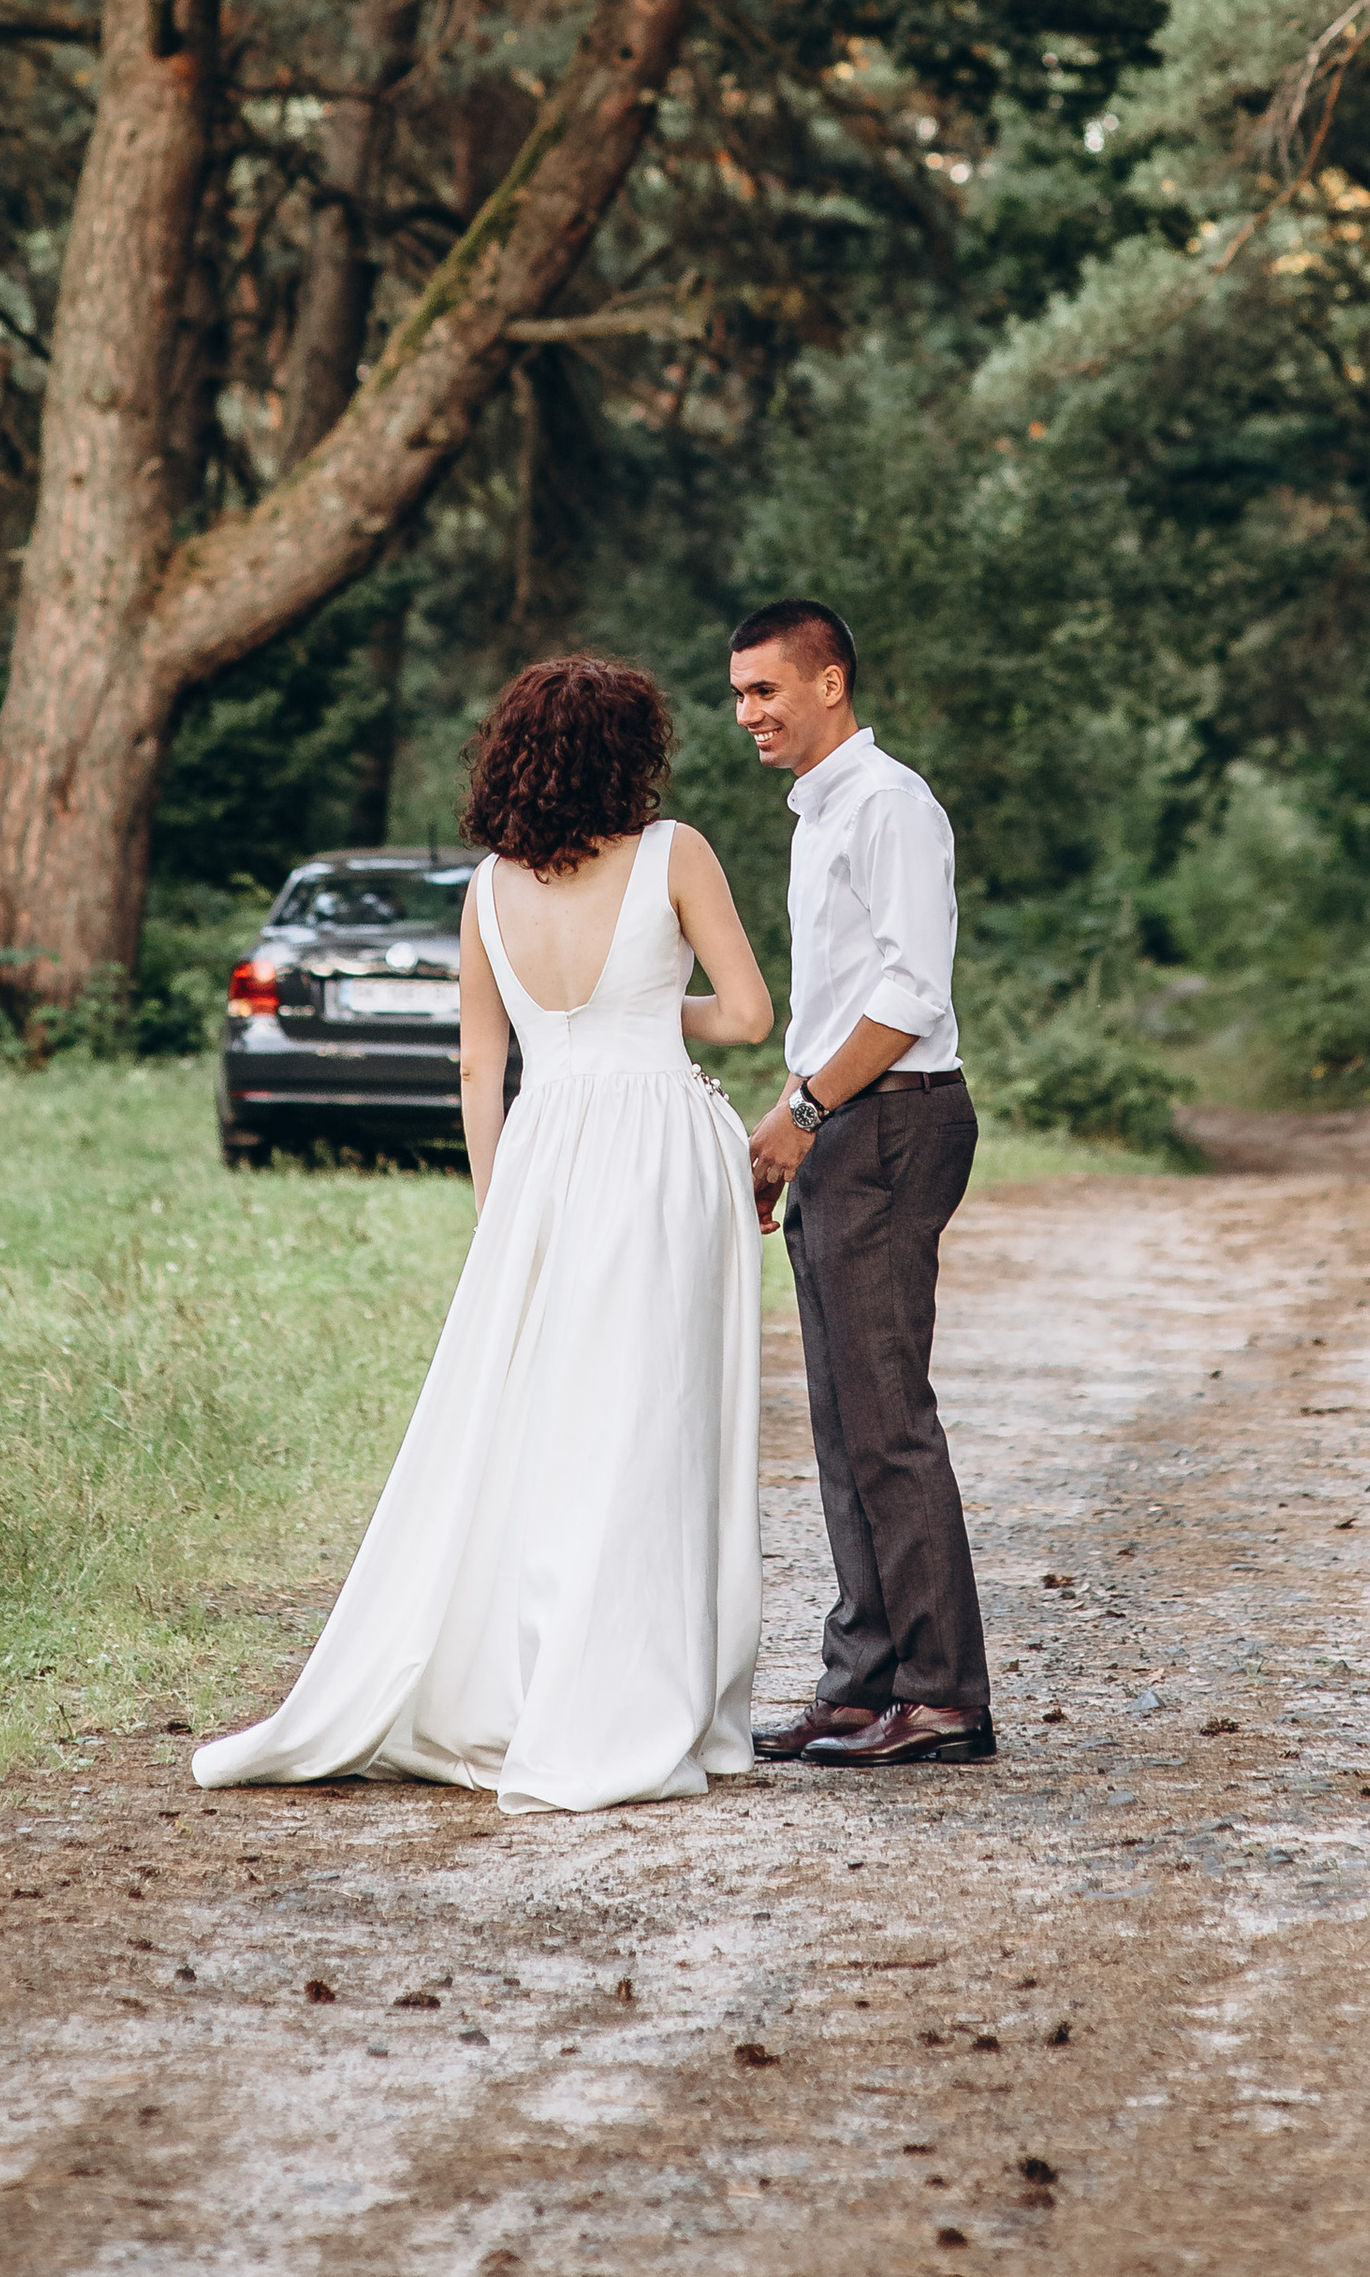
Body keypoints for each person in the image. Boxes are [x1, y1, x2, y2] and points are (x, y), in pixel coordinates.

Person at [190, 655, 776, 1816]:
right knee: (656, 1418)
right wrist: (649, 1006)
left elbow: (478, 1065)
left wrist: (496, 1202)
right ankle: (641, 1695)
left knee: (545, 1425)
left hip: (543, 1157)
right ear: (632, 754)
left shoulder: (485, 890)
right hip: (660, 1145)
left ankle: (524, 1680)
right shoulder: (675, 853)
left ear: (513, 757)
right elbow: (753, 1017)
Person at [735, 598, 995, 1772]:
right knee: (843, 1419)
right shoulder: (822, 810)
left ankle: (940, 1696)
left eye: (766, 689)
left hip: (892, 1121)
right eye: (739, 694)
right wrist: (797, 1120)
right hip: (843, 1119)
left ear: (828, 682)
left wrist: (801, 1115)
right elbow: (838, 1001)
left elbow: (910, 993)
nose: (749, 712)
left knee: (887, 1418)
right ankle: (862, 1685)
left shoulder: (889, 805)